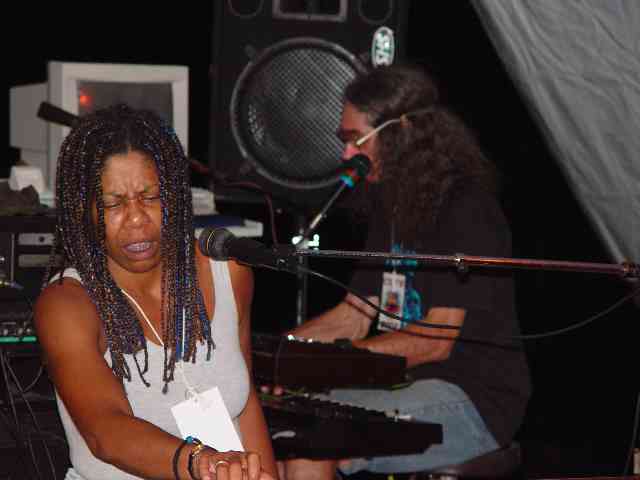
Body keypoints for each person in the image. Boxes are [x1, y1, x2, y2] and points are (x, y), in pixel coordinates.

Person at [279, 64, 532, 479]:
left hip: (472, 398)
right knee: (274, 425)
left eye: (356, 139)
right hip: (404, 384)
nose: (346, 155)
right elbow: (353, 316)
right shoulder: (390, 206)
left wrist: (322, 365)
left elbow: (434, 342)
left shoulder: (465, 206)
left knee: (311, 434)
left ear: (402, 133)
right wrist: (279, 355)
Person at [33, 104, 278, 480]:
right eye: (113, 203)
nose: (136, 218)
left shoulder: (228, 270)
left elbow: (244, 405)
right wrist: (203, 463)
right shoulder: (67, 303)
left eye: (150, 197)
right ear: (85, 210)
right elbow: (106, 433)